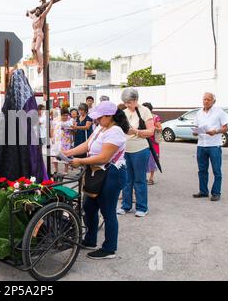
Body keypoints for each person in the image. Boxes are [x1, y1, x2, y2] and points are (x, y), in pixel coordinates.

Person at [64, 101, 128, 259]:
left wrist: (80, 161)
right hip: (97, 172)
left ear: (109, 116)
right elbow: (87, 145)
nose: (97, 120)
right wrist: (68, 152)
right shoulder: (101, 127)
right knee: (89, 206)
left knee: (107, 211)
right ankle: (90, 239)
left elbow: (104, 157)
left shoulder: (115, 131)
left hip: (112, 173)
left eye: (99, 117)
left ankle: (109, 248)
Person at [117, 88, 155, 217]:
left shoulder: (145, 111)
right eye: (125, 102)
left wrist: (136, 132)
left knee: (139, 180)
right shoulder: (123, 112)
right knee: (126, 180)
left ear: (136, 100)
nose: (127, 105)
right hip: (125, 150)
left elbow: (151, 132)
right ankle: (126, 206)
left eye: (129, 102)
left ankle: (142, 207)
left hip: (140, 149)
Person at [192, 92, 228, 201]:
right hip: (201, 145)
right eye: (204, 99)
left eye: (208, 99)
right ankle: (203, 191)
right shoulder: (199, 113)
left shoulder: (219, 112)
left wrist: (216, 131)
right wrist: (195, 132)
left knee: (217, 171)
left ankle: (216, 193)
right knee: (202, 170)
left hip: (214, 145)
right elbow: (196, 127)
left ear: (213, 101)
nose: (206, 101)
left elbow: (225, 128)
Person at [26, 0, 55, 74]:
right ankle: (37, 63)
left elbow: (47, 10)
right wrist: (28, 12)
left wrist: (51, 2)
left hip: (39, 34)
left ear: (40, 12)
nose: (37, 12)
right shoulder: (34, 17)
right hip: (34, 35)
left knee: (37, 49)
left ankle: (41, 65)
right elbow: (30, 14)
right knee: (32, 49)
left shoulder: (41, 17)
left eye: (38, 10)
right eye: (36, 11)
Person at [142, 102, 162, 185]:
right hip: (143, 140)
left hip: (153, 141)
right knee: (143, 159)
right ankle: (144, 177)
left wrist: (152, 127)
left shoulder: (155, 117)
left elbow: (160, 128)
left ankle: (151, 177)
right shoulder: (141, 117)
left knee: (153, 159)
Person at [51, 107, 73, 175]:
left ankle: (66, 169)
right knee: (55, 154)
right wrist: (52, 137)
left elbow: (73, 130)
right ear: (61, 114)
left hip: (66, 140)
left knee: (66, 154)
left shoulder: (70, 121)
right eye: (64, 115)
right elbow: (52, 128)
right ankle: (56, 169)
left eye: (67, 115)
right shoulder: (56, 120)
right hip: (57, 139)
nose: (65, 117)